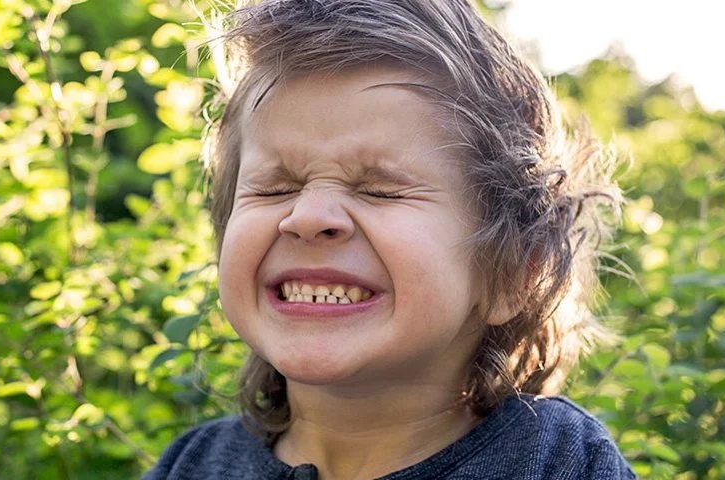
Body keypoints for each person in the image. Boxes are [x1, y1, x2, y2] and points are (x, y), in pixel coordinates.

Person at [146, 0, 633, 478]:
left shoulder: (559, 461)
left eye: (380, 190)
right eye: (275, 188)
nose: (308, 216)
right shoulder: (192, 465)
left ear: (514, 274)